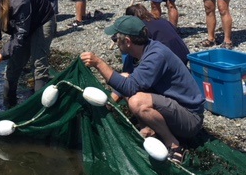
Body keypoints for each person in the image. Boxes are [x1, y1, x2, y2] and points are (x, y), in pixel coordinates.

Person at [80, 16, 204, 163]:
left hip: (190, 119)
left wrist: (99, 63)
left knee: (137, 102)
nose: (114, 42)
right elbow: (130, 81)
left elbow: (129, 88)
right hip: (173, 107)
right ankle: (149, 128)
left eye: (115, 39)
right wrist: (108, 105)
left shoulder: (156, 56)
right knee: (126, 76)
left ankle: (174, 145)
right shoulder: (147, 50)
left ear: (127, 41)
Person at [125, 3, 190, 68]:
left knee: (130, 47)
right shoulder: (161, 20)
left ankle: (128, 73)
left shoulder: (142, 27)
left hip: (169, 59)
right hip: (184, 54)